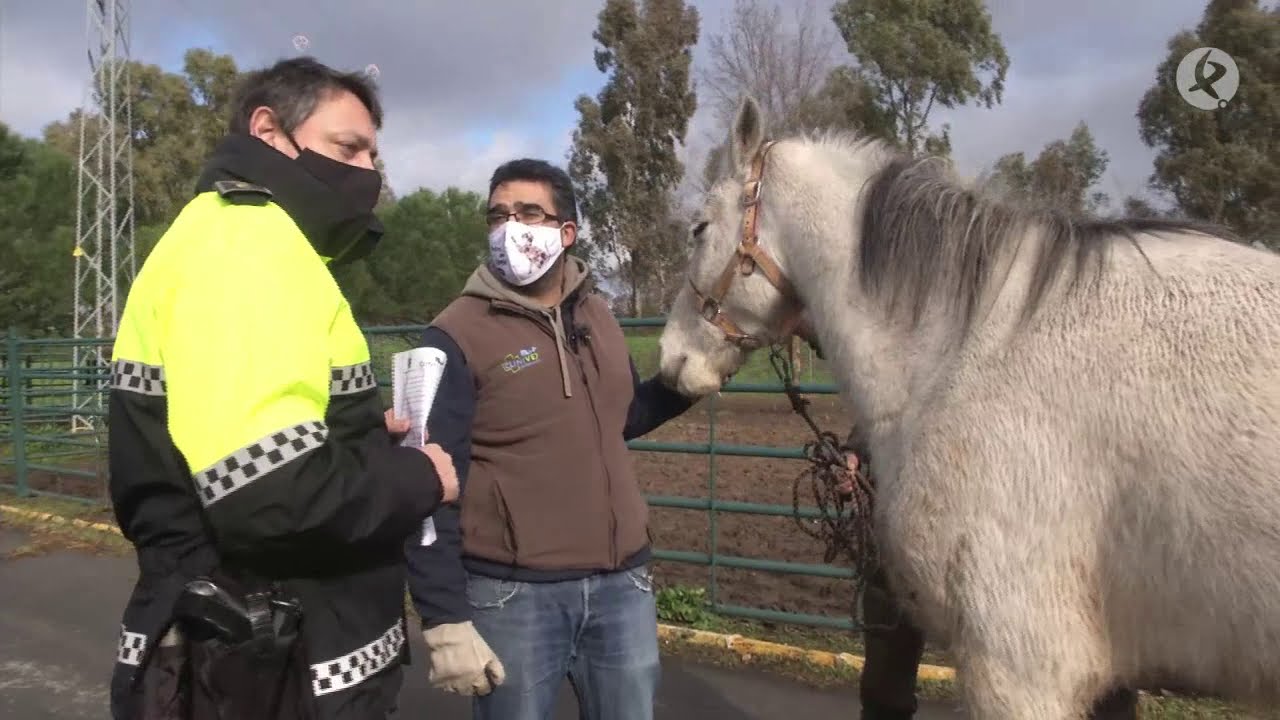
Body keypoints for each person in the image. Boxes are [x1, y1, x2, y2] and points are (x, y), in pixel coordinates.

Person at [106, 56, 459, 720]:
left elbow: (238, 435)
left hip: (252, 658)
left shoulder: (246, 240)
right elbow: (271, 495)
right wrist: (418, 478)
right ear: (268, 132)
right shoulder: (250, 245)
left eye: (373, 157)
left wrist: (355, 439)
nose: (367, 173)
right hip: (268, 672)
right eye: (346, 147)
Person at [403, 158, 698, 720]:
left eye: (528, 212)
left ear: (567, 232)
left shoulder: (600, 314)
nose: (510, 227)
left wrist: (691, 384)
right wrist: (443, 617)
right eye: (497, 215)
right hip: (513, 597)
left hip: (622, 585)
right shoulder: (452, 334)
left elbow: (625, 415)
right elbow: (425, 478)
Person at [836, 435, 1141, 719]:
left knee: (1093, 615)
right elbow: (894, 389)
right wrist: (857, 450)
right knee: (891, 590)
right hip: (944, 481)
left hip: (1057, 495)